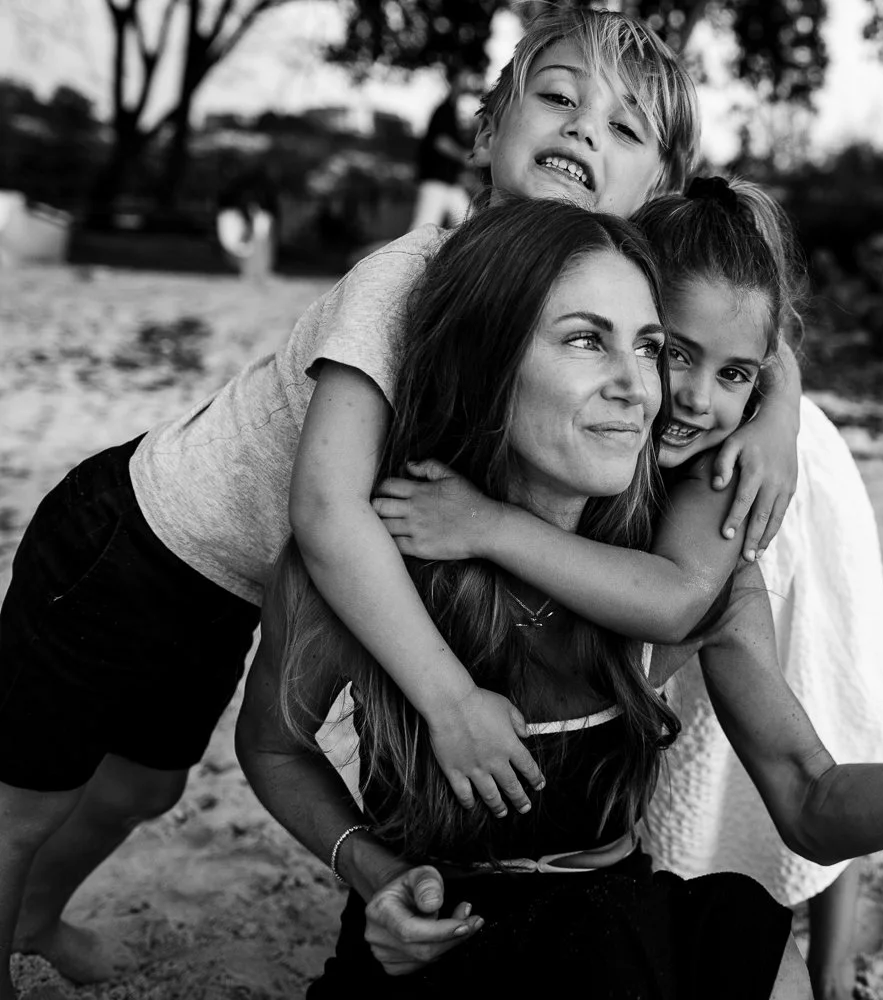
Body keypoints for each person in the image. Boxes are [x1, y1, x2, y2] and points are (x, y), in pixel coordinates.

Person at [0, 10, 796, 999]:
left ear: (658, 194)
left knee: (144, 785)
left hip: (236, 583)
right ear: (487, 130)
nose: (583, 128)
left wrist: (779, 407)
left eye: (624, 127)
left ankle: (36, 915)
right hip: (139, 539)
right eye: (557, 97)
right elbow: (330, 513)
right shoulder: (408, 281)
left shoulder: (599, 291)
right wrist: (448, 699)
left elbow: (736, 317)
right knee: (24, 802)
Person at [236, 195, 883, 998]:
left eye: (647, 347)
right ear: (485, 357)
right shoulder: (377, 549)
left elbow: (812, 798)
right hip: (434, 935)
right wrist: (371, 871)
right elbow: (274, 744)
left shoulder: (690, 576)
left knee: (744, 937)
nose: (641, 388)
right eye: (587, 341)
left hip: (617, 915)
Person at [374, 174, 883, 999]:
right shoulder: (600, 337)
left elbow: (682, 601)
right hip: (630, 502)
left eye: (735, 374)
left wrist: (780, 414)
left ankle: (834, 948)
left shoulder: (717, 452)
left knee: (816, 685)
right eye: (672, 353)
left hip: (755, 488)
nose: (689, 391)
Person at [409, 64, 483, 231]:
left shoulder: (453, 110)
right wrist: (463, 156)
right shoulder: (444, 110)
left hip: (450, 182)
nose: (467, 82)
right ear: (454, 81)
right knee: (423, 228)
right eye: (463, 77)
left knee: (470, 224)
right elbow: (440, 142)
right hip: (435, 180)